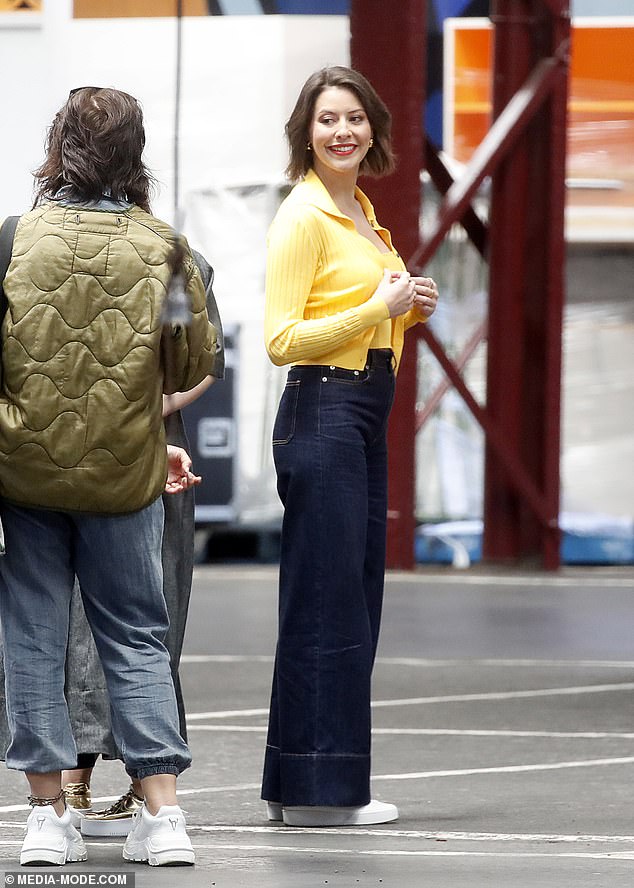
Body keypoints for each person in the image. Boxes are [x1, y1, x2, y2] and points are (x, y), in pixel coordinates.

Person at [0, 86, 217, 867]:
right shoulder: (165, 248)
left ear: (58, 145)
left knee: (31, 635)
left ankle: (47, 819)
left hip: (23, 473)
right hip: (127, 473)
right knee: (135, 635)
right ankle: (163, 819)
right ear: (137, 154)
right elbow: (193, 358)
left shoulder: (15, 237)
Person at [261, 66, 439, 827]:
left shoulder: (360, 210)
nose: (343, 132)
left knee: (351, 596)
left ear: (375, 130)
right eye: (329, 119)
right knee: (331, 602)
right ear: (307, 130)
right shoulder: (303, 216)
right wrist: (378, 303)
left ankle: (304, 783)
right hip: (325, 408)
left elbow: (366, 318)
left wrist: (404, 314)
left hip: (364, 407)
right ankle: (316, 795)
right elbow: (282, 340)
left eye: (356, 119)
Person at [52, 251, 225, 839]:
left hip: (148, 451)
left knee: (150, 612)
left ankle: (140, 785)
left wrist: (154, 405)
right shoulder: (52, 251)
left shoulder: (180, 259)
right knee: (81, 618)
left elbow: (208, 357)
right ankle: (76, 781)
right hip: (77, 449)